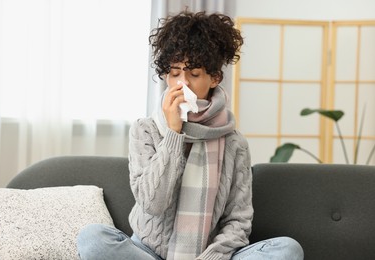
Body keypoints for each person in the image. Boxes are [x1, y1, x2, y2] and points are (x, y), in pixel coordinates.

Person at [77, 10, 304, 260]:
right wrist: (174, 134)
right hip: (147, 252)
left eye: (194, 74)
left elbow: (238, 222)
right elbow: (152, 204)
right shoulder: (145, 130)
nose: (182, 84)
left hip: (208, 256)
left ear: (215, 77)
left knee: (287, 249)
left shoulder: (234, 142)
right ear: (165, 75)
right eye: (174, 73)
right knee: (93, 239)